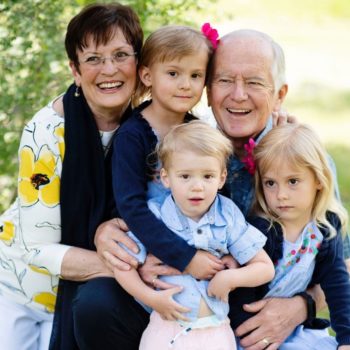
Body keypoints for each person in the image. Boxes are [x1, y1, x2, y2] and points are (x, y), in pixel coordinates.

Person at [94, 28, 350, 350]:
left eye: (255, 82)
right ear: (208, 89)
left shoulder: (303, 161)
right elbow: (145, 212)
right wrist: (111, 235)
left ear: (280, 94)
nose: (238, 95)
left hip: (277, 326)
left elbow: (341, 260)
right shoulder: (189, 150)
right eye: (225, 80)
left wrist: (302, 306)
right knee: (96, 304)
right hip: (186, 317)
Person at [0, 3, 143, 350]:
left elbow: (201, 145)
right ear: (75, 71)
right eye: (93, 58)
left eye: (121, 54)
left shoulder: (152, 123)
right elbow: (36, 248)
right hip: (19, 288)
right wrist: (136, 270)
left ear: (139, 64)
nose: (109, 69)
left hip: (82, 300)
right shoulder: (47, 133)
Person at [114, 121, 275, 350]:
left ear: (221, 178)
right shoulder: (155, 216)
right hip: (166, 330)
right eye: (185, 176)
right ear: (166, 177)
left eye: (207, 176)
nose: (197, 187)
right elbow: (122, 265)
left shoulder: (227, 214)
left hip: (216, 332)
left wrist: (230, 279)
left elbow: (264, 268)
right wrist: (151, 299)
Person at [112, 24, 221, 275]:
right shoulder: (132, 136)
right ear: (147, 76)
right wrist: (185, 258)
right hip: (152, 246)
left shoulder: (199, 131)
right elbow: (131, 207)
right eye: (173, 74)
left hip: (199, 237)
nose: (186, 85)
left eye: (195, 75)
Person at [249, 123, 350, 349]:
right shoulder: (261, 229)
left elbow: (337, 283)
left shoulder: (325, 227)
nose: (281, 195)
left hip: (299, 329)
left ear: (319, 180)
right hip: (253, 329)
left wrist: (346, 338)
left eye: (293, 181)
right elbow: (241, 292)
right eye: (270, 183)